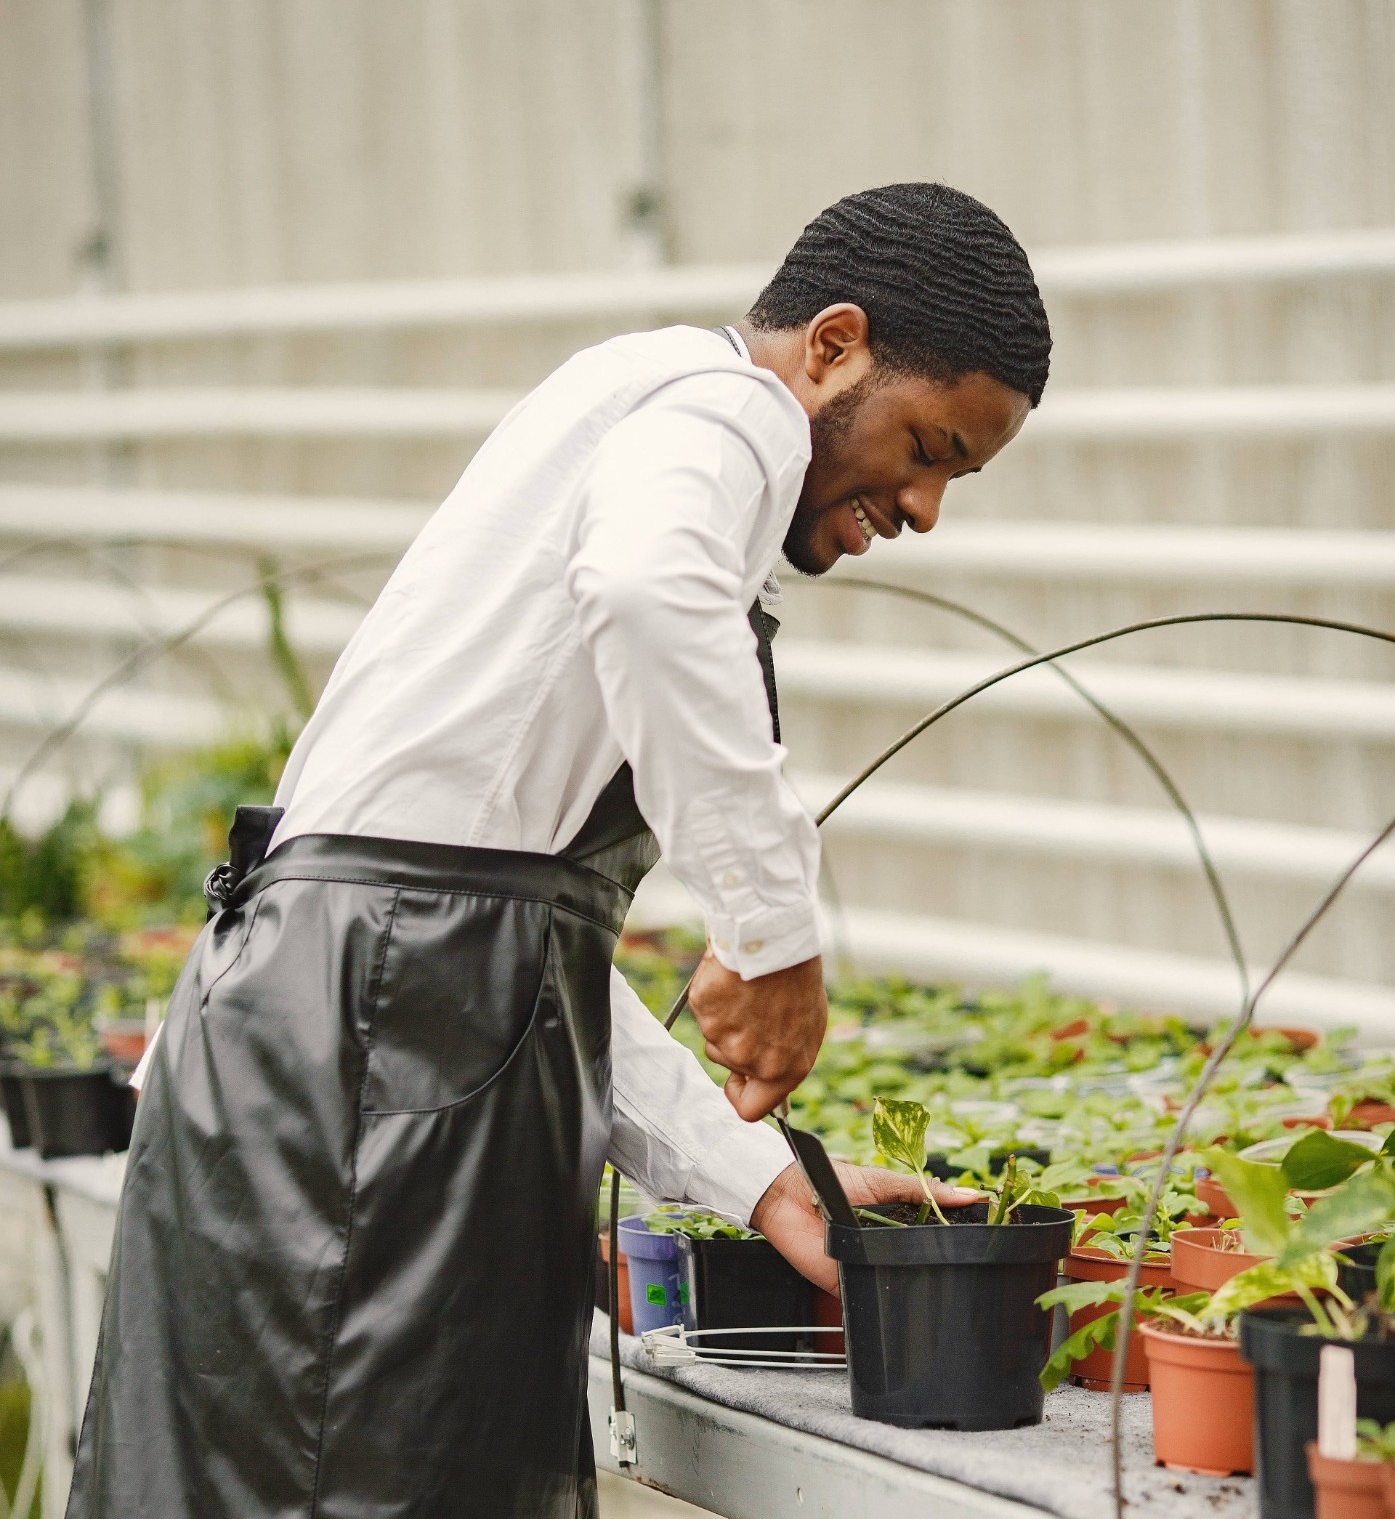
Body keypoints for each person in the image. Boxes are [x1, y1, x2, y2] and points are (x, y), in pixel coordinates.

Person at [67, 182, 1052, 1519]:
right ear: (832, 346)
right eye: (928, 445)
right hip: (357, 1085)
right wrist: (773, 937)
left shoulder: (636, 410)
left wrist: (760, 1178)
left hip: (344, 1051)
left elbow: (497, 958)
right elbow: (653, 595)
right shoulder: (726, 410)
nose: (926, 506)